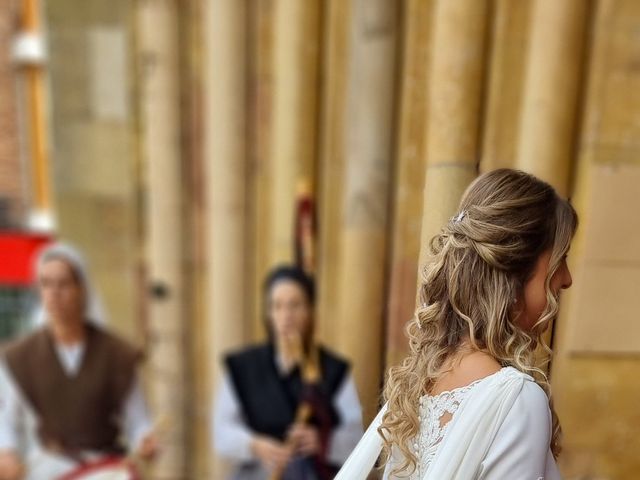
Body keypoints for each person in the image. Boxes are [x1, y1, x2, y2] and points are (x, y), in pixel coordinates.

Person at [336, 169, 578, 479]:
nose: (567, 278)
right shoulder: (516, 399)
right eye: (562, 257)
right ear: (517, 264)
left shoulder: (419, 383)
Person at [0, 243, 157, 480]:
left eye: (63, 284)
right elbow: (8, 420)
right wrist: (7, 454)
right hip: (48, 467)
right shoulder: (20, 356)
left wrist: (145, 441)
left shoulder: (117, 354)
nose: (54, 293)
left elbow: (138, 420)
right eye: (46, 284)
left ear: (81, 288)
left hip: (106, 468)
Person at [212, 266, 364, 479]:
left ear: (310, 311)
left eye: (295, 305)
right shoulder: (243, 366)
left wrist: (323, 440)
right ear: (269, 313)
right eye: (277, 306)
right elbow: (222, 431)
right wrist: (254, 445)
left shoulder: (333, 369)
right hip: (258, 471)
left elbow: (357, 438)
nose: (286, 316)